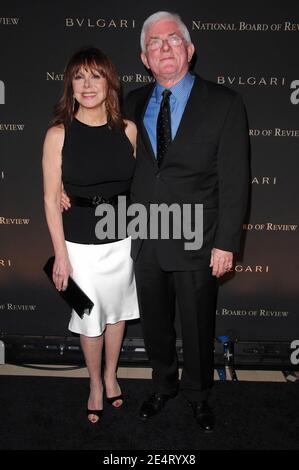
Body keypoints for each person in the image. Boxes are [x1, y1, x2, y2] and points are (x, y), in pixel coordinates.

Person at [123, 11, 249, 432]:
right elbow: (112, 162)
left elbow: (234, 180)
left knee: (197, 324)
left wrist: (227, 241)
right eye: (155, 44)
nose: (164, 49)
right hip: (145, 234)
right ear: (145, 58)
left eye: (172, 40)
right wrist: (71, 190)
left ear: (190, 50)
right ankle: (163, 385)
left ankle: (198, 394)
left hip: (200, 235)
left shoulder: (225, 103)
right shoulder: (130, 103)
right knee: (155, 322)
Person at [42, 47, 139, 424]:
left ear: (109, 82)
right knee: (89, 317)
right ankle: (94, 383)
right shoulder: (58, 134)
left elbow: (144, 184)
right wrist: (60, 255)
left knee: (116, 315)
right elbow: (51, 200)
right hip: (78, 244)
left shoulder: (128, 130)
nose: (87, 85)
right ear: (70, 85)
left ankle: (112, 376)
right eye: (79, 77)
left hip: (123, 239)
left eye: (95, 76)